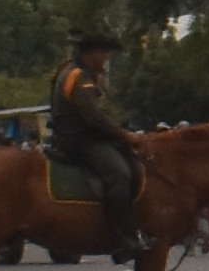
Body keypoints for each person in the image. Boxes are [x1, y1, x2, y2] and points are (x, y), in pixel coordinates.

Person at [47, 37, 143, 228]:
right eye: (104, 53)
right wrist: (125, 136)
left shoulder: (75, 72)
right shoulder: (79, 77)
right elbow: (94, 117)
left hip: (80, 137)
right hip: (80, 140)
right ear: (91, 54)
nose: (106, 58)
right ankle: (118, 234)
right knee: (121, 174)